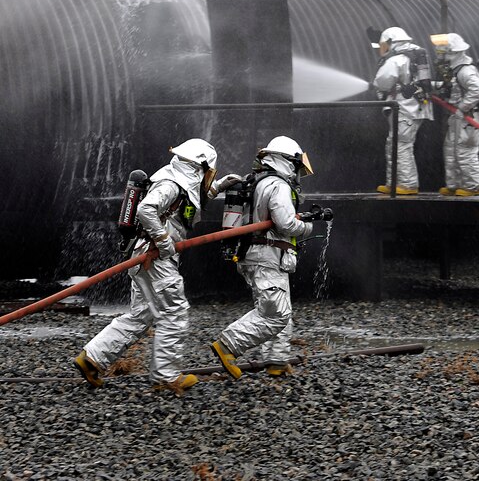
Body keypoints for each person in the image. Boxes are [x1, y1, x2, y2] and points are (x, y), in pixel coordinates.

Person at [74, 138, 240, 391]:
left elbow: (187, 208)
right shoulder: (171, 184)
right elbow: (146, 209)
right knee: (174, 312)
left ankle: (92, 359)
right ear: (201, 166)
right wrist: (163, 241)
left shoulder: (176, 180)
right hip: (154, 257)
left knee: (142, 315)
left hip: (144, 256)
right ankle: (166, 376)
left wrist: (218, 187)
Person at [210, 136, 316, 379]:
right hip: (266, 255)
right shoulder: (277, 185)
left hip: (258, 254)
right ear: (287, 161)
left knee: (278, 309)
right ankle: (228, 345)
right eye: (296, 166)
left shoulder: (257, 181)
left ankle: (276, 360)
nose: (298, 172)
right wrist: (307, 227)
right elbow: (286, 223)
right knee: (275, 314)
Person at [371, 27, 434, 195]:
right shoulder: (414, 56)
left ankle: (406, 185)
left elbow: (382, 82)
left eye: (384, 45)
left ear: (392, 42)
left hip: (405, 110)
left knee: (401, 145)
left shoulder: (397, 59)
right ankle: (395, 184)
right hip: (415, 108)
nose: (382, 49)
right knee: (396, 144)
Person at [430, 32, 479, 196]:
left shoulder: (466, 71)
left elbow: (477, 91)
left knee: (465, 150)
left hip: (469, 116)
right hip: (459, 116)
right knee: (450, 148)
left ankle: (474, 186)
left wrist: (462, 108)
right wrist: (429, 85)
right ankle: (454, 185)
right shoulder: (455, 70)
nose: (440, 56)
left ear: (454, 53)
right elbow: (450, 87)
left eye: (443, 53)